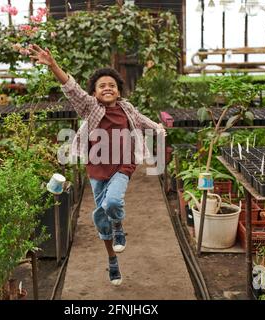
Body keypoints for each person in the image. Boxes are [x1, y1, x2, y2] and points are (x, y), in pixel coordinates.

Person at [30, 44, 166, 286]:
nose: (107, 88)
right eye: (102, 85)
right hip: (96, 169)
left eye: (112, 85)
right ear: (94, 92)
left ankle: (119, 226)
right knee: (102, 214)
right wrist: (52, 65)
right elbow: (71, 89)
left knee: (112, 203)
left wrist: (156, 127)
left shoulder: (126, 108)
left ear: (118, 91)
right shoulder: (91, 107)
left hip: (123, 166)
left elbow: (141, 120)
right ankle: (112, 259)